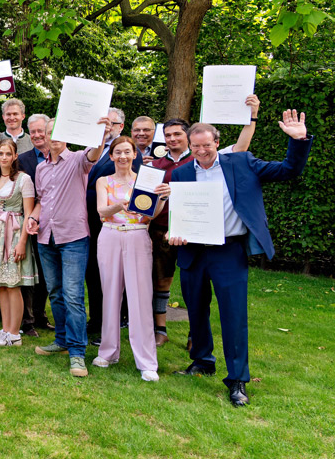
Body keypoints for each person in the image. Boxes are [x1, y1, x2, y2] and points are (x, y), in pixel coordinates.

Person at [169, 111, 311, 407]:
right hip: (193, 251)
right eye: (196, 146)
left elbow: (288, 170)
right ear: (189, 146)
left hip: (228, 251)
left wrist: (298, 141)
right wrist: (175, 232)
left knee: (233, 315)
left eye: (207, 145)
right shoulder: (181, 173)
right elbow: (179, 212)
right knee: (195, 310)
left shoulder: (242, 162)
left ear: (217, 142)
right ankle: (202, 360)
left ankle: (237, 379)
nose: (201, 151)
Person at [149, 95, 258, 347]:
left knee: (198, 292)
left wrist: (251, 117)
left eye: (177, 134)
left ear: (188, 137)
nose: (172, 138)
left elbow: (241, 146)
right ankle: (160, 330)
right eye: (168, 135)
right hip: (165, 232)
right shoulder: (155, 164)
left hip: (201, 237)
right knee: (163, 280)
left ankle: (194, 337)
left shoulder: (203, 158)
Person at [26, 114, 112, 378]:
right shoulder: (41, 168)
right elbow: (42, 200)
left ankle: (77, 352)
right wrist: (33, 218)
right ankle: (62, 340)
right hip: (46, 237)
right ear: (45, 135)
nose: (54, 137)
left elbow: (94, 153)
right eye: (50, 132)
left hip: (73, 238)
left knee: (73, 295)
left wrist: (101, 133)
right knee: (55, 292)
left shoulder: (77, 160)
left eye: (60, 132)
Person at [93, 136, 170, 381]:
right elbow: (101, 211)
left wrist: (162, 199)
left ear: (135, 154)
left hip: (137, 235)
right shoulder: (104, 181)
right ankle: (108, 352)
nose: (123, 156)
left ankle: (146, 362)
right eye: (118, 152)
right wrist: (120, 205)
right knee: (110, 294)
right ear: (111, 156)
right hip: (110, 235)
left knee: (140, 297)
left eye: (127, 151)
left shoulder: (146, 181)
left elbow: (150, 215)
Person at [84, 108, 134, 343]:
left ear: (121, 126)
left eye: (111, 123)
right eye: (102, 122)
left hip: (114, 222)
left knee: (113, 276)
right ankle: (96, 319)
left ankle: (114, 320)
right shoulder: (91, 148)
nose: (106, 126)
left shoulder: (125, 152)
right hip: (87, 220)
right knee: (93, 273)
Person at [0, 139, 37, 347]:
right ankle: (5, 329)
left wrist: (22, 242)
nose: (4, 157)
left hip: (14, 232)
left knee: (13, 285)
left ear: (15, 156)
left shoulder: (24, 179)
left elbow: (29, 213)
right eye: (0, 153)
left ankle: (14, 334)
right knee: (2, 285)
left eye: (8, 154)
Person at [14, 113, 53, 336]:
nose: (37, 135)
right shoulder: (23, 159)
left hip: (55, 223)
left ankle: (40, 314)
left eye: (41, 131)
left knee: (48, 273)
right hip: (29, 221)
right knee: (29, 271)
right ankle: (26, 318)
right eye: (33, 132)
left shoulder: (62, 156)